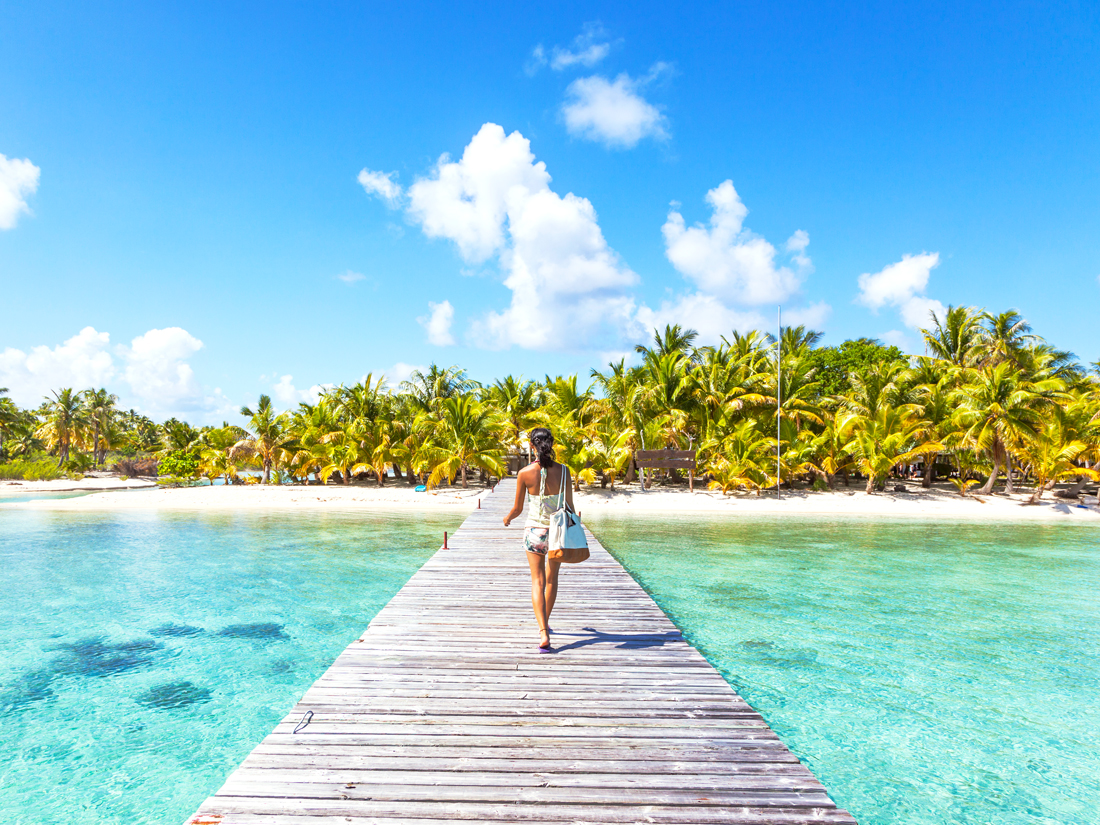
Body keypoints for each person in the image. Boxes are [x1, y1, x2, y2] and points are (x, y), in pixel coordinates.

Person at [503, 427, 572, 652]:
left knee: (537, 581)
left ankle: (543, 632)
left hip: (534, 532)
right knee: (551, 580)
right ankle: (545, 622)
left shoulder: (524, 473)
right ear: (551, 444)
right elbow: (569, 506)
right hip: (556, 533)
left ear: (532, 446)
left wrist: (507, 519)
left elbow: (517, 508)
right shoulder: (564, 471)